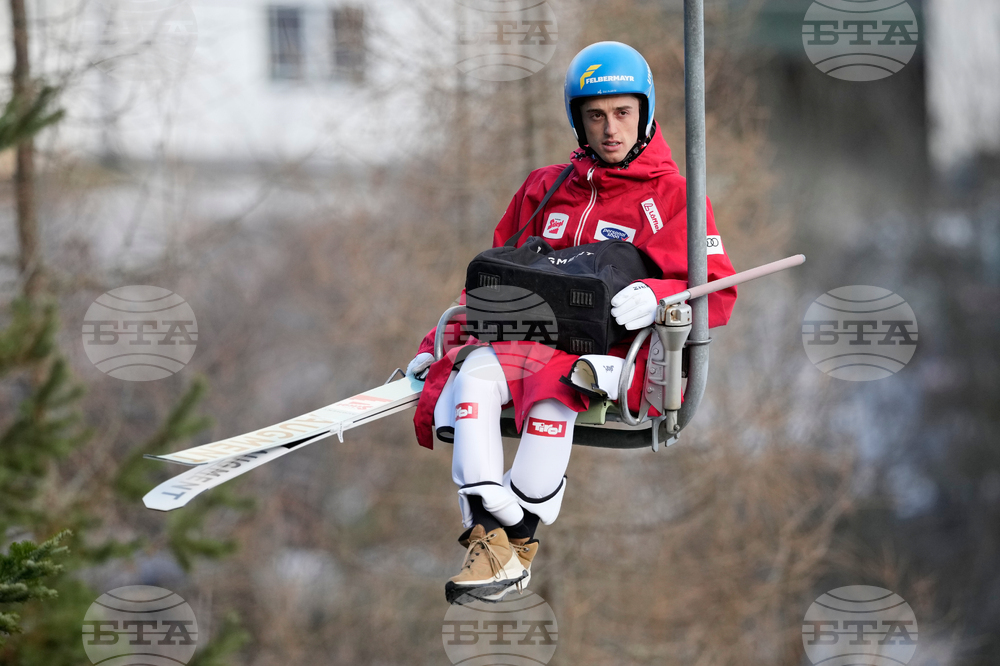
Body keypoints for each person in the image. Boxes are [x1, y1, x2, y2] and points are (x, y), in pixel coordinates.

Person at [406, 41, 738, 605]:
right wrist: (437, 343)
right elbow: (494, 279)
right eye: (596, 116)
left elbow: (720, 291)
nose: (611, 129)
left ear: (645, 111)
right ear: (578, 120)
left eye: (623, 113)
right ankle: (498, 535)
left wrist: (657, 295)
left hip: (608, 357)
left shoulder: (676, 196)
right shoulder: (545, 188)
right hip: (527, 339)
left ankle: (510, 538)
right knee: (474, 376)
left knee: (560, 385)